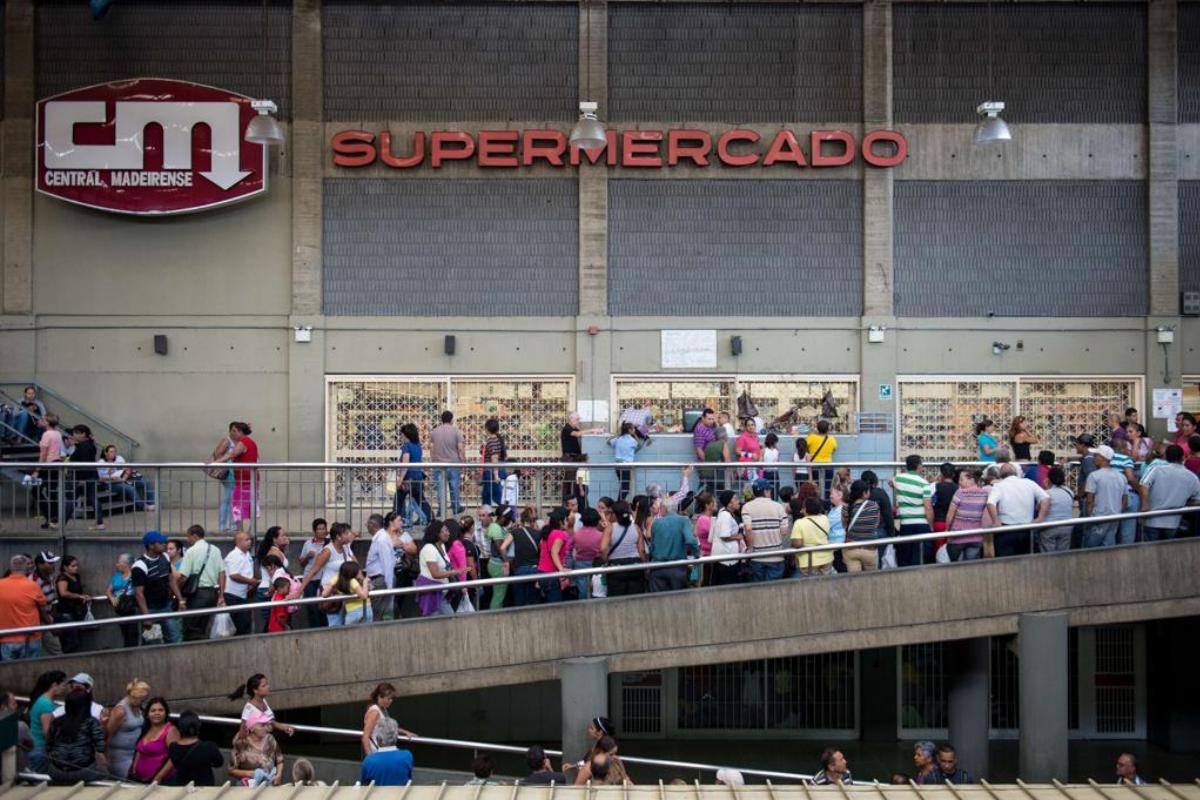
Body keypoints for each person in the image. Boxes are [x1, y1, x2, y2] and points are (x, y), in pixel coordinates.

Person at [298, 522, 357, 625]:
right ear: (338, 537)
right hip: (329, 592)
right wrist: (299, 591)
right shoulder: (327, 551)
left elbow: (356, 565)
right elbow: (313, 571)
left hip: (343, 591)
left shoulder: (346, 547)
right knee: (333, 623)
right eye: (346, 533)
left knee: (345, 624)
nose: (349, 535)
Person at [132, 531, 185, 644]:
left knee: (174, 638)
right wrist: (146, 617)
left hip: (166, 606)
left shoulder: (165, 557)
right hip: (150, 609)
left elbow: (171, 580)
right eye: (160, 543)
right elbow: (139, 593)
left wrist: (180, 600)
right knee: (152, 642)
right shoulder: (140, 566)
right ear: (151, 546)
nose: (164, 545)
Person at [986, 463, 1049, 556]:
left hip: (1006, 530)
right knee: (1026, 562)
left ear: (1001, 475)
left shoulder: (999, 486)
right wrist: (1041, 517)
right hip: (1026, 529)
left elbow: (990, 503)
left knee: (1005, 564)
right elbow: (1045, 497)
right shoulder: (1029, 482)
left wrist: (996, 521)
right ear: (1016, 472)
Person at [176, 525, 226, 641]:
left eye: (188, 537)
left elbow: (183, 577)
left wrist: (177, 593)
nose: (187, 540)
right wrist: (221, 595)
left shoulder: (191, 551)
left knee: (190, 628)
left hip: (197, 595)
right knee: (203, 626)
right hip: (212, 594)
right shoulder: (215, 549)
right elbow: (222, 573)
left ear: (194, 536)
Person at [1139, 445, 1200, 540]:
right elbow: (1198, 500)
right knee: (1169, 551)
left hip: (1152, 519)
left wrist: (1145, 505)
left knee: (1150, 551)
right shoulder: (1192, 477)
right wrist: (1183, 503)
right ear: (1183, 457)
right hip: (1173, 522)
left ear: (1165, 457)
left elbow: (1143, 484)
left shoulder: (1156, 470)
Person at [46, 690, 108, 784]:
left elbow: (48, 746)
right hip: (83, 772)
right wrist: (103, 724)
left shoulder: (57, 722)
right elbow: (100, 747)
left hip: (56, 772)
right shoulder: (91, 722)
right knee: (105, 772)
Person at [209, 421, 259, 530]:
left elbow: (232, 454)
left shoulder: (244, 441)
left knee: (237, 504)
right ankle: (243, 529)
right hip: (245, 478)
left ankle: (238, 530)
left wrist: (216, 462)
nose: (232, 433)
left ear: (241, 432)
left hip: (243, 479)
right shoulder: (250, 442)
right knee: (245, 504)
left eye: (235, 431)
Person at [0, 555, 49, 661]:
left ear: (11, 567)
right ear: (26, 568)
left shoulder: (1, 585)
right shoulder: (32, 586)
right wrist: (50, 623)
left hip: (6, 638)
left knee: (8, 674)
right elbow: (43, 609)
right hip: (30, 638)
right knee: (31, 672)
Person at [416, 520, 469, 616]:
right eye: (444, 531)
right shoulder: (429, 548)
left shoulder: (442, 546)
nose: (448, 533)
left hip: (442, 594)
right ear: (437, 533)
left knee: (451, 621)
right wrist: (455, 572)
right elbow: (435, 573)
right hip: (432, 594)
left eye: (447, 531)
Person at [741, 478, 788, 581]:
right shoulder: (778, 507)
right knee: (774, 591)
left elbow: (748, 529)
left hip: (757, 557)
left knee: (758, 592)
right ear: (766, 491)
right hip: (776, 556)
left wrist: (750, 548)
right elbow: (784, 532)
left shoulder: (747, 507)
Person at [647, 499, 698, 592]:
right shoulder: (683, 521)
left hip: (658, 567)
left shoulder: (656, 523)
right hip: (677, 567)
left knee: (658, 601)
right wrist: (697, 555)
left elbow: (652, 546)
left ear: (665, 508)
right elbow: (691, 540)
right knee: (679, 601)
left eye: (661, 508)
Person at [944, 469, 996, 561]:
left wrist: (947, 531)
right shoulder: (984, 494)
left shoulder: (960, 493)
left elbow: (950, 515)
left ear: (971, 480)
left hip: (957, 536)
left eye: (961, 479)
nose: (959, 482)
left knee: (955, 566)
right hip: (976, 536)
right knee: (970, 567)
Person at [893, 454, 935, 567]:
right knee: (920, 557)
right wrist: (930, 526)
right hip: (922, 525)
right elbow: (928, 507)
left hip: (905, 524)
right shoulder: (924, 483)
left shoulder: (898, 478)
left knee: (905, 555)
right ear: (918, 466)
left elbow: (890, 482)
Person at [104, 678, 149, 779]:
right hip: (119, 757)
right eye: (141, 699)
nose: (143, 701)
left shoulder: (138, 707)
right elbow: (108, 735)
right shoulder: (120, 711)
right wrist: (104, 759)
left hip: (133, 753)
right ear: (133, 696)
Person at [1082, 446, 1127, 548]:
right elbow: (1125, 500)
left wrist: (1090, 517)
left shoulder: (1094, 476)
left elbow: (1090, 500)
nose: (1093, 457)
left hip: (1098, 518)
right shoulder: (1121, 476)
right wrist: (1118, 512)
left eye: (1096, 455)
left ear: (1103, 458)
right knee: (1108, 547)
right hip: (1115, 518)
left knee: (1090, 548)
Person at [165, 711, 224, 787]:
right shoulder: (209, 747)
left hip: (182, 788)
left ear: (180, 729)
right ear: (198, 727)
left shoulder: (173, 747)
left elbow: (175, 763)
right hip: (205, 788)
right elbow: (219, 763)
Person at [128, 697, 179, 783]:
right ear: (147, 714)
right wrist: (134, 767)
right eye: (153, 710)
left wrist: (159, 777)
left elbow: (174, 758)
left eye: (160, 710)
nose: (157, 713)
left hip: (161, 782)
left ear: (166, 713)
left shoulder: (171, 730)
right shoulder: (145, 729)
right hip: (139, 780)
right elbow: (140, 750)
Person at [228, 674, 295, 739]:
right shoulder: (248, 708)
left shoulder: (264, 701)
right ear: (255, 690)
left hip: (265, 744)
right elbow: (242, 734)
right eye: (264, 685)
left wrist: (284, 727)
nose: (268, 687)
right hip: (255, 748)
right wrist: (257, 731)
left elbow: (271, 721)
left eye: (267, 684)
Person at [26, 670, 68, 773]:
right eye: (62, 685)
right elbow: (47, 732)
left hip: (36, 748)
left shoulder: (41, 701)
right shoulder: (46, 705)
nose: (64, 688)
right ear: (55, 685)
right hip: (40, 749)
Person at [229, 709, 283, 786]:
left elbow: (280, 761)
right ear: (251, 728)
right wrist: (252, 774)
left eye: (266, 724)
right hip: (247, 787)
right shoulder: (241, 744)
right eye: (262, 725)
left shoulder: (270, 739)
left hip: (269, 785)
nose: (266, 728)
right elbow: (231, 771)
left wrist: (279, 775)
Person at [31, 414, 66, 529]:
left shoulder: (46, 434)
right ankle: (53, 517)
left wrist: (37, 469)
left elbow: (43, 454)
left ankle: (50, 516)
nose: (40, 421)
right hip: (56, 464)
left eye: (43, 420)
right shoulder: (58, 433)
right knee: (52, 492)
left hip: (48, 465)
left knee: (36, 491)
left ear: (47, 422)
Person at [361, 683, 416, 756]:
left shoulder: (383, 709)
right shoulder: (374, 712)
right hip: (375, 752)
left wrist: (405, 732)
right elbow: (365, 737)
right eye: (388, 698)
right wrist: (370, 757)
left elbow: (389, 727)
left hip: (379, 752)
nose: (391, 701)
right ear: (380, 697)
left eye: (391, 698)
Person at [253, 526, 291, 628]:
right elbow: (273, 574)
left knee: (273, 622)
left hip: (273, 589)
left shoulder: (277, 551)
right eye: (282, 535)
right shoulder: (274, 553)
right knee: (273, 623)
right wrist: (273, 590)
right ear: (274, 539)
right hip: (269, 590)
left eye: (286, 535)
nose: (285, 537)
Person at [68, 424, 104, 530]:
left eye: (75, 433)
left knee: (71, 499)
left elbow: (84, 462)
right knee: (92, 498)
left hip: (83, 477)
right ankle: (100, 523)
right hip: (90, 476)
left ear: (83, 434)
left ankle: (60, 523)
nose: (73, 435)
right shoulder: (88, 444)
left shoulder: (84, 446)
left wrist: (82, 479)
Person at [99, 444, 156, 511]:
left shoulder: (119, 458)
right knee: (130, 488)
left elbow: (127, 468)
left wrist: (124, 478)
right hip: (111, 483)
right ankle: (142, 506)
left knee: (146, 481)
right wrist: (110, 475)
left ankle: (151, 504)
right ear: (106, 453)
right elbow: (101, 478)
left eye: (115, 451)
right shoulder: (101, 462)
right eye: (111, 451)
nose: (114, 453)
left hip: (125, 478)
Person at [430, 410, 466, 516]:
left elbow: (431, 449)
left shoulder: (434, 432)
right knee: (454, 486)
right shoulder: (456, 431)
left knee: (440, 488)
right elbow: (460, 449)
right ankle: (456, 507)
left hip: (438, 464)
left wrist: (434, 460)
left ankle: (441, 509)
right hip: (453, 464)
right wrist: (463, 462)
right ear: (451, 419)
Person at [842, 480, 882, 572]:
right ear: (864, 493)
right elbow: (876, 523)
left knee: (855, 581)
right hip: (869, 549)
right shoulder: (874, 506)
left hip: (851, 549)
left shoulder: (846, 507)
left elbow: (844, 526)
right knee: (871, 580)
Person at [222, 531, 257, 635]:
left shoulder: (247, 554)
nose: (249, 542)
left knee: (244, 624)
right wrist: (250, 581)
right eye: (246, 540)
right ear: (238, 542)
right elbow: (234, 575)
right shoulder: (234, 555)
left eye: (249, 539)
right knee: (239, 624)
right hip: (232, 594)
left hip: (242, 594)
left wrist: (249, 583)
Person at [365, 513, 398, 621]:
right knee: (382, 613)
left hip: (381, 580)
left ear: (372, 525)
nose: (366, 526)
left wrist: (389, 588)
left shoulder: (381, 539)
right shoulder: (380, 537)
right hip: (381, 580)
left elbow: (387, 564)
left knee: (377, 614)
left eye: (367, 524)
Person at [298, 518, 330, 628]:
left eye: (324, 528)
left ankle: (324, 628)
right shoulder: (308, 543)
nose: (322, 531)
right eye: (319, 529)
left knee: (324, 606)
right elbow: (301, 563)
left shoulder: (329, 544)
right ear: (314, 531)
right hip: (310, 580)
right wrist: (308, 556)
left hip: (324, 580)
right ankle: (314, 629)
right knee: (312, 607)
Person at [360, 722, 414, 786]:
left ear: (378, 739)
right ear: (396, 738)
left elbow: (364, 783)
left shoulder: (369, 760)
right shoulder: (407, 755)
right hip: (400, 794)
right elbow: (409, 777)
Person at [104, 553, 141, 648]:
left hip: (132, 608)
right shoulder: (117, 575)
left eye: (119, 562)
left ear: (126, 564)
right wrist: (112, 598)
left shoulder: (135, 574)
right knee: (125, 633)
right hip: (121, 608)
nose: (117, 564)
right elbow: (109, 590)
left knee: (132, 633)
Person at [394, 423, 427, 526]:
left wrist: (400, 480)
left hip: (408, 479)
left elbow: (405, 464)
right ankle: (429, 517)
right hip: (418, 477)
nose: (401, 437)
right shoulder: (418, 446)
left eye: (402, 435)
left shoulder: (406, 447)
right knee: (420, 500)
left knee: (399, 500)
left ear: (406, 435)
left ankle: (398, 520)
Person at [791, 496, 833, 576]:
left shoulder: (799, 523)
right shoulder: (825, 518)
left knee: (811, 586)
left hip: (808, 561)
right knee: (825, 584)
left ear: (806, 508)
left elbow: (798, 543)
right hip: (827, 558)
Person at [321, 560, 372, 626]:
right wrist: (365, 582)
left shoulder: (336, 579)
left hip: (351, 612)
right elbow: (364, 596)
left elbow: (324, 594)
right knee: (366, 633)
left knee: (349, 634)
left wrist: (332, 586)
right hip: (365, 609)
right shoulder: (352, 581)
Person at [1038, 467, 1076, 553]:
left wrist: (1045, 488)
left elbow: (1040, 508)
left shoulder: (1046, 493)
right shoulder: (1069, 492)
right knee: (1063, 554)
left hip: (1049, 527)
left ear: (1049, 479)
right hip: (1067, 526)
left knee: (1048, 555)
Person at [537, 508, 571, 603]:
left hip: (542, 573)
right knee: (555, 606)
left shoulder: (547, 533)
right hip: (551, 574)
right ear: (561, 522)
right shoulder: (561, 534)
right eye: (566, 519)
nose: (567, 521)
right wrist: (561, 569)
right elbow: (554, 552)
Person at [210, 423, 239, 533]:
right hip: (228, 473)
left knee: (231, 499)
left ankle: (231, 524)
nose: (235, 432)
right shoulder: (226, 441)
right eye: (233, 430)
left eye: (237, 430)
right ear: (230, 430)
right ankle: (224, 525)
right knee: (228, 499)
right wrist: (227, 459)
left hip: (234, 473)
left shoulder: (237, 442)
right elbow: (217, 454)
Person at [573, 507, 607, 598]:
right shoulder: (600, 535)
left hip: (580, 563)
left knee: (582, 588)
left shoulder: (576, 534)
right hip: (597, 563)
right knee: (598, 588)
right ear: (596, 520)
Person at [610, 422, 642, 501]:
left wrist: (618, 435)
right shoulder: (631, 440)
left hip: (617, 465)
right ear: (629, 430)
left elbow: (609, 442)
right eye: (633, 429)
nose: (634, 430)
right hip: (626, 466)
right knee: (625, 487)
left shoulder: (618, 439)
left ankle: (620, 502)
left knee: (623, 486)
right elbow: (639, 444)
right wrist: (634, 435)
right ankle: (619, 503)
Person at [481, 418, 507, 506]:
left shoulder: (492, 440)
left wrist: (496, 475)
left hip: (491, 472)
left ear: (487, 429)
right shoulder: (496, 439)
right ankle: (486, 514)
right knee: (488, 495)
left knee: (494, 496)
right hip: (492, 471)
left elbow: (494, 458)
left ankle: (508, 513)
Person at [932, 463, 959, 533]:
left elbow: (931, 504)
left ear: (941, 474)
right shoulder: (959, 489)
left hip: (939, 522)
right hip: (954, 523)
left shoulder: (935, 487)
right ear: (953, 474)